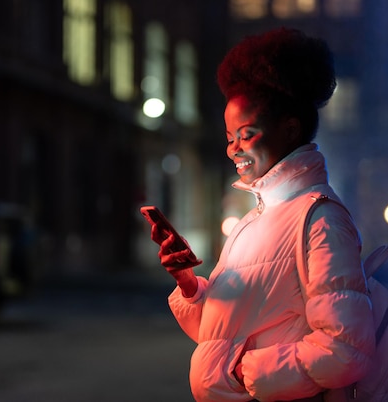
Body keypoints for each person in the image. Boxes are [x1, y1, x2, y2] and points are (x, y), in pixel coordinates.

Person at [150, 27, 376, 402]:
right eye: (229, 137)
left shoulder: (318, 219)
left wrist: (247, 373)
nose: (232, 150)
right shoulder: (255, 219)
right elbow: (220, 335)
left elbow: (346, 349)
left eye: (246, 134)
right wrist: (188, 282)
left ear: (289, 130)